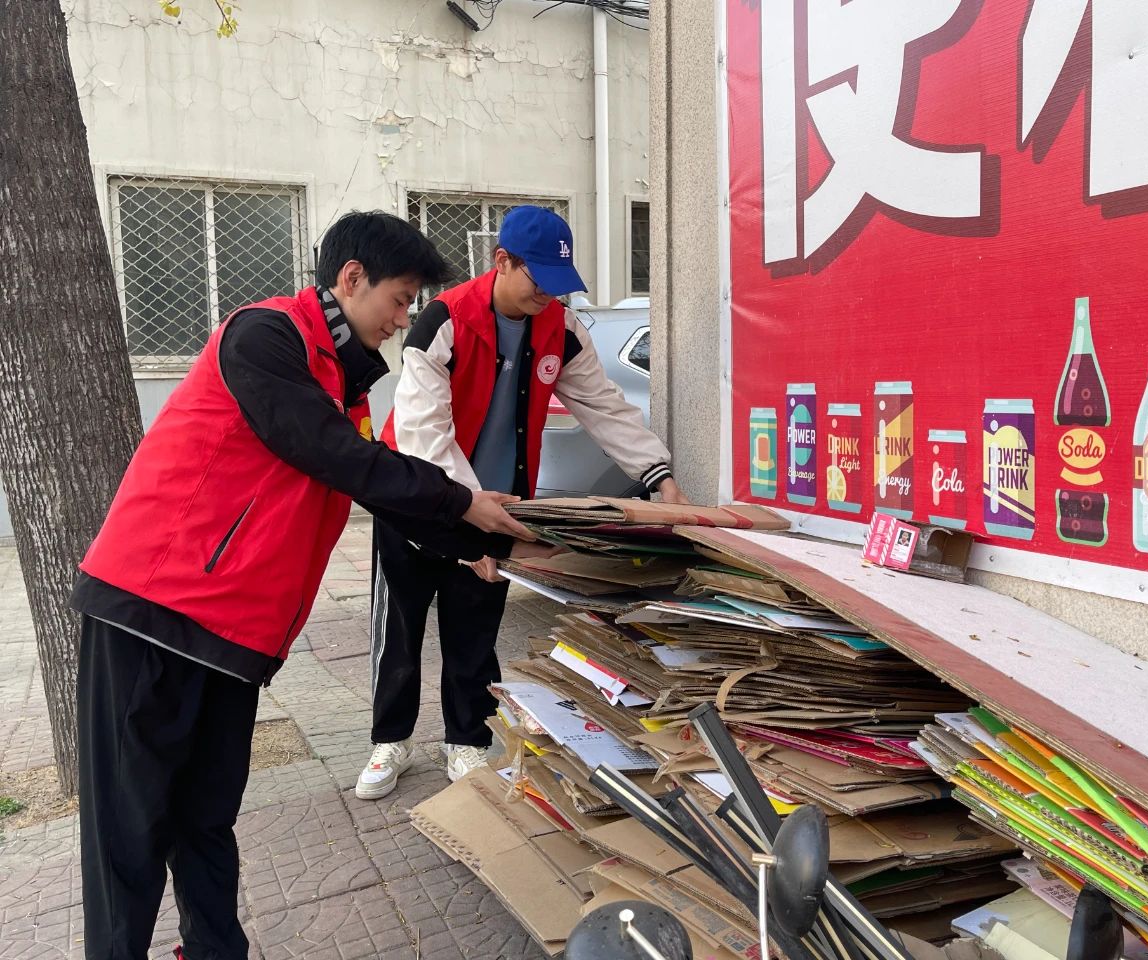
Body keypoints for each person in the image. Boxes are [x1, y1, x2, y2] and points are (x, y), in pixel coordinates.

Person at [71, 211, 537, 960]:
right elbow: (332, 456)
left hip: (231, 636)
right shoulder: (264, 337)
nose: (403, 320)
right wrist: (461, 500)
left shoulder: (341, 384)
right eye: (400, 299)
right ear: (351, 278)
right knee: (129, 831)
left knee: (207, 815)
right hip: (151, 611)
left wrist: (479, 544)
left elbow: (372, 484)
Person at [356, 205, 688, 797]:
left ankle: (466, 740)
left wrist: (659, 475)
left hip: (499, 507)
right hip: (416, 497)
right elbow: (424, 433)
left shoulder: (560, 328)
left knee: (475, 629)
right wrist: (466, 525)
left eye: (559, 285)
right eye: (539, 280)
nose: (547, 296)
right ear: (502, 261)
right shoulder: (444, 319)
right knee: (398, 632)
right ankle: (390, 740)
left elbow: (605, 408)